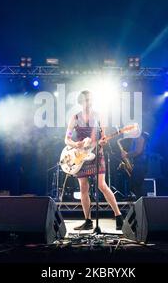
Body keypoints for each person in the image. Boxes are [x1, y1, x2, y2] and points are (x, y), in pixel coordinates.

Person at [65, 90, 123, 230]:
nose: (88, 102)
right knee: (83, 188)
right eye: (85, 100)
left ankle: (118, 216)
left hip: (97, 153)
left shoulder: (99, 116)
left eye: (90, 100)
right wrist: (75, 144)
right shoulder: (74, 118)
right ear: (80, 101)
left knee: (101, 185)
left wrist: (103, 142)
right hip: (81, 156)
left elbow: (103, 136)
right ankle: (88, 221)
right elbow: (66, 138)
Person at [118, 131, 149, 199]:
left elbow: (138, 151)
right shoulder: (136, 138)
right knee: (135, 186)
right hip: (138, 164)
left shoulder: (140, 137)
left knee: (137, 186)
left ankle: (142, 205)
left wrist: (126, 155)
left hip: (141, 164)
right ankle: (139, 204)